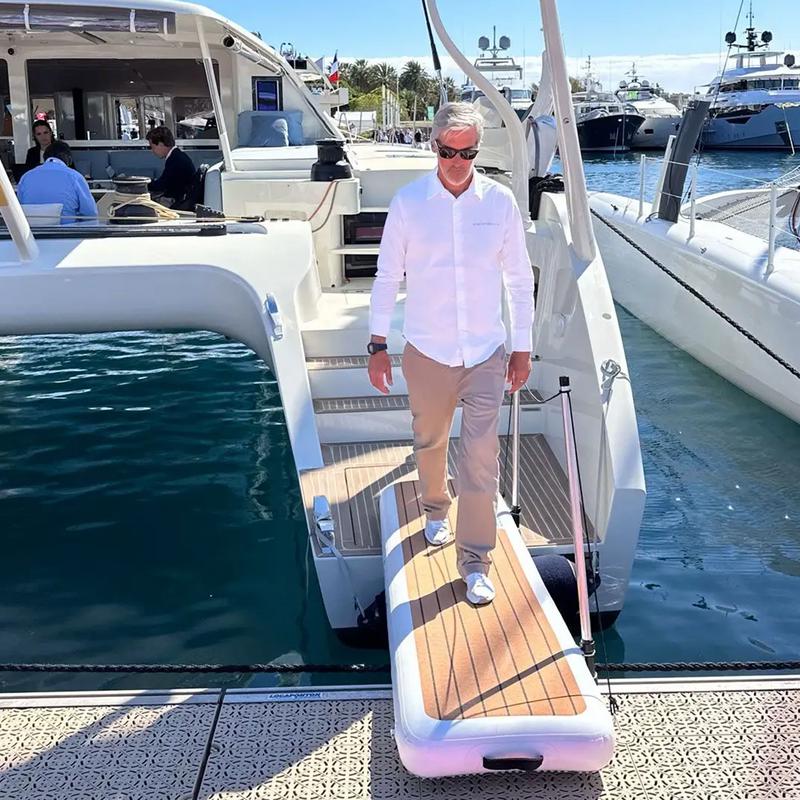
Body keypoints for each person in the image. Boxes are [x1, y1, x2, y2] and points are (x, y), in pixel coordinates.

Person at [368, 102, 534, 605]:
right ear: (433, 147)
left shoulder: (499, 202)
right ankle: (435, 507)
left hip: (485, 352)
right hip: (427, 350)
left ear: (478, 151)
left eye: (468, 153)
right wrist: (377, 344)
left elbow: (519, 279)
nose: (458, 162)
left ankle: (476, 560)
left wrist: (523, 348)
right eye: (448, 152)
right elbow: (386, 277)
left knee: (481, 457)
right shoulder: (408, 203)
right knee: (431, 440)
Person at [17, 140, 96, 223]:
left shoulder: (26, 176)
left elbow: (19, 208)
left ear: (45, 157)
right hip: (68, 230)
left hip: (31, 230)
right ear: (69, 158)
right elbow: (90, 213)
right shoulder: (75, 176)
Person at [146, 126, 196, 205]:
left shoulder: (176, 160)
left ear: (161, 144)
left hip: (177, 201)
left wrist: (143, 185)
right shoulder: (177, 156)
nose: (152, 151)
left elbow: (161, 185)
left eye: (153, 147)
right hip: (181, 198)